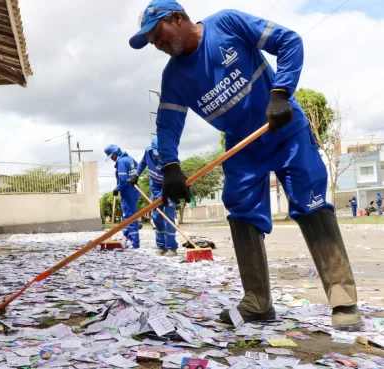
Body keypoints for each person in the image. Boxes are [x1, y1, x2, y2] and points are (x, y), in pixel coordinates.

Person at [129, 0, 361, 331]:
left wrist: (281, 92)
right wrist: (169, 166)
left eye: (157, 34)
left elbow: (289, 41)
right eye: (151, 41)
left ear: (177, 18)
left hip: (283, 128)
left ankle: (342, 297)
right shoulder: (174, 77)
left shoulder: (227, 23)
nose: (157, 44)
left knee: (310, 203)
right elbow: (167, 125)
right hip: (241, 145)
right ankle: (257, 301)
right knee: (241, 212)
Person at [129, 137, 178, 256]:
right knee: (156, 218)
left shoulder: (171, 157)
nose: (158, 157)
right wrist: (136, 175)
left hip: (169, 189)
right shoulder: (148, 151)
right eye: (156, 154)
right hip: (155, 187)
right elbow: (142, 163)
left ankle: (172, 247)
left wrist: (162, 195)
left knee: (168, 218)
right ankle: (162, 247)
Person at [104, 144, 140, 248]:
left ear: (115, 153)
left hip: (128, 191)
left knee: (129, 216)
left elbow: (123, 179)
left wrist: (117, 188)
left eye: (111, 156)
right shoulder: (129, 159)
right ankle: (127, 238)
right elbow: (138, 169)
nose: (111, 158)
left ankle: (134, 242)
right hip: (134, 189)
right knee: (128, 216)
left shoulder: (121, 162)